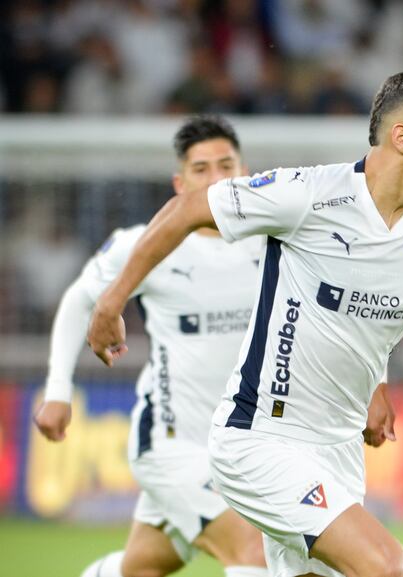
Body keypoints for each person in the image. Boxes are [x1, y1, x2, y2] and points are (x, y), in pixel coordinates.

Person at [86, 68, 403, 577]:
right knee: (387, 565)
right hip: (260, 437)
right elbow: (187, 208)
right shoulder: (311, 194)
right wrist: (112, 301)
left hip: (340, 451)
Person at [34, 115, 271, 577]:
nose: (216, 179)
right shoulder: (144, 245)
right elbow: (79, 301)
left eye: (226, 165)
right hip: (171, 447)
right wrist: (59, 390)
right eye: (201, 170)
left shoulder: (274, 241)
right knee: (254, 553)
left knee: (140, 568)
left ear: (245, 173)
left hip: (243, 449)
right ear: (180, 184)